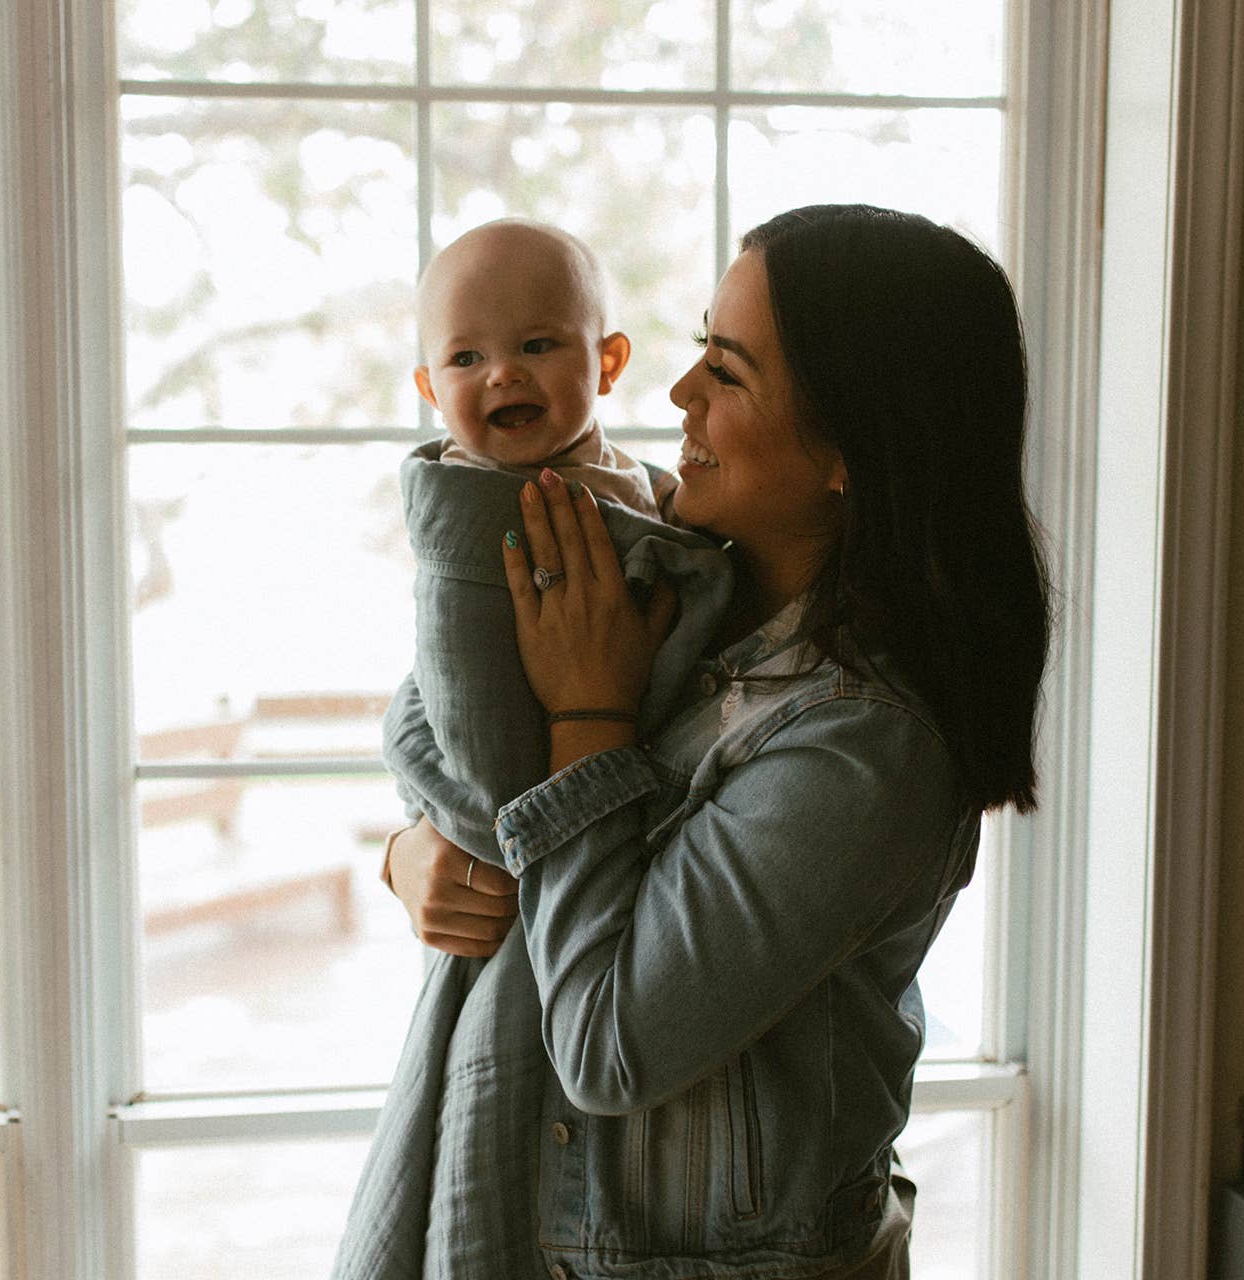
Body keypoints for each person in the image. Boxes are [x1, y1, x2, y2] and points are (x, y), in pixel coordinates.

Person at [340, 204, 1050, 1279]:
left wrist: (589, 716)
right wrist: (421, 852)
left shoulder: (861, 745)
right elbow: (446, 698)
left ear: (850, 446)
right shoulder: (675, 571)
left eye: (726, 370)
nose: (677, 396)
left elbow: (605, 1045)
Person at [331, 220, 733, 1279]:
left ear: (606, 362)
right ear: (428, 387)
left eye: (538, 345)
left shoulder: (638, 491)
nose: (500, 372)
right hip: (534, 871)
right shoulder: (476, 517)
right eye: (465, 357)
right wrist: (420, 836)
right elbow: (454, 714)